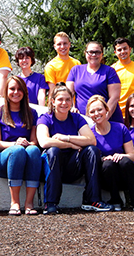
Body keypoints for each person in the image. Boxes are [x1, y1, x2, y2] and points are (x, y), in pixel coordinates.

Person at [36, 83, 113, 214]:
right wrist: (71, 145)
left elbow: (91, 140)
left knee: (91, 150)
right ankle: (50, 203)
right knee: (53, 150)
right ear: (53, 101)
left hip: (72, 165)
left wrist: (66, 138)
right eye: (60, 99)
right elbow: (44, 142)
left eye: (68, 99)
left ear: (72, 101)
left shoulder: (76, 118)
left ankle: (92, 199)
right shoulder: (45, 118)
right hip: (52, 165)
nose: (64, 103)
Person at [0, 76, 41, 215]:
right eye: (12, 89)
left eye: (19, 89)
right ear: (6, 91)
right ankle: (14, 202)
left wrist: (28, 144)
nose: (16, 92)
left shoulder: (32, 113)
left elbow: (34, 141)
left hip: (26, 156)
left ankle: (29, 203)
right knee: (17, 150)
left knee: (34, 150)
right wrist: (14, 144)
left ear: (24, 92)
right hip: (3, 160)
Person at [87, 95, 134, 212]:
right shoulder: (90, 134)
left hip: (125, 173)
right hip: (107, 176)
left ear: (106, 110)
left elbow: (132, 156)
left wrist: (121, 155)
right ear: (89, 115)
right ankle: (115, 200)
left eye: (99, 109)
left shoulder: (120, 128)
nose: (97, 113)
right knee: (108, 164)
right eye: (92, 111)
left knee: (125, 162)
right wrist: (104, 158)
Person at [67, 41, 123, 123]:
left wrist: (104, 117)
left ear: (102, 54)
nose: (93, 55)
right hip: (83, 120)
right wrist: (71, 107)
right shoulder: (75, 70)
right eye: (91, 52)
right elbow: (68, 93)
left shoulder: (109, 71)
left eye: (97, 52)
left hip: (108, 120)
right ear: (85, 53)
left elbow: (114, 97)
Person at [44, 32, 81, 97]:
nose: (62, 47)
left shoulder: (77, 63)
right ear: (55, 46)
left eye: (65, 43)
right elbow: (52, 90)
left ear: (69, 44)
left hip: (76, 105)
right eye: (59, 44)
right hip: (60, 104)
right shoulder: (50, 66)